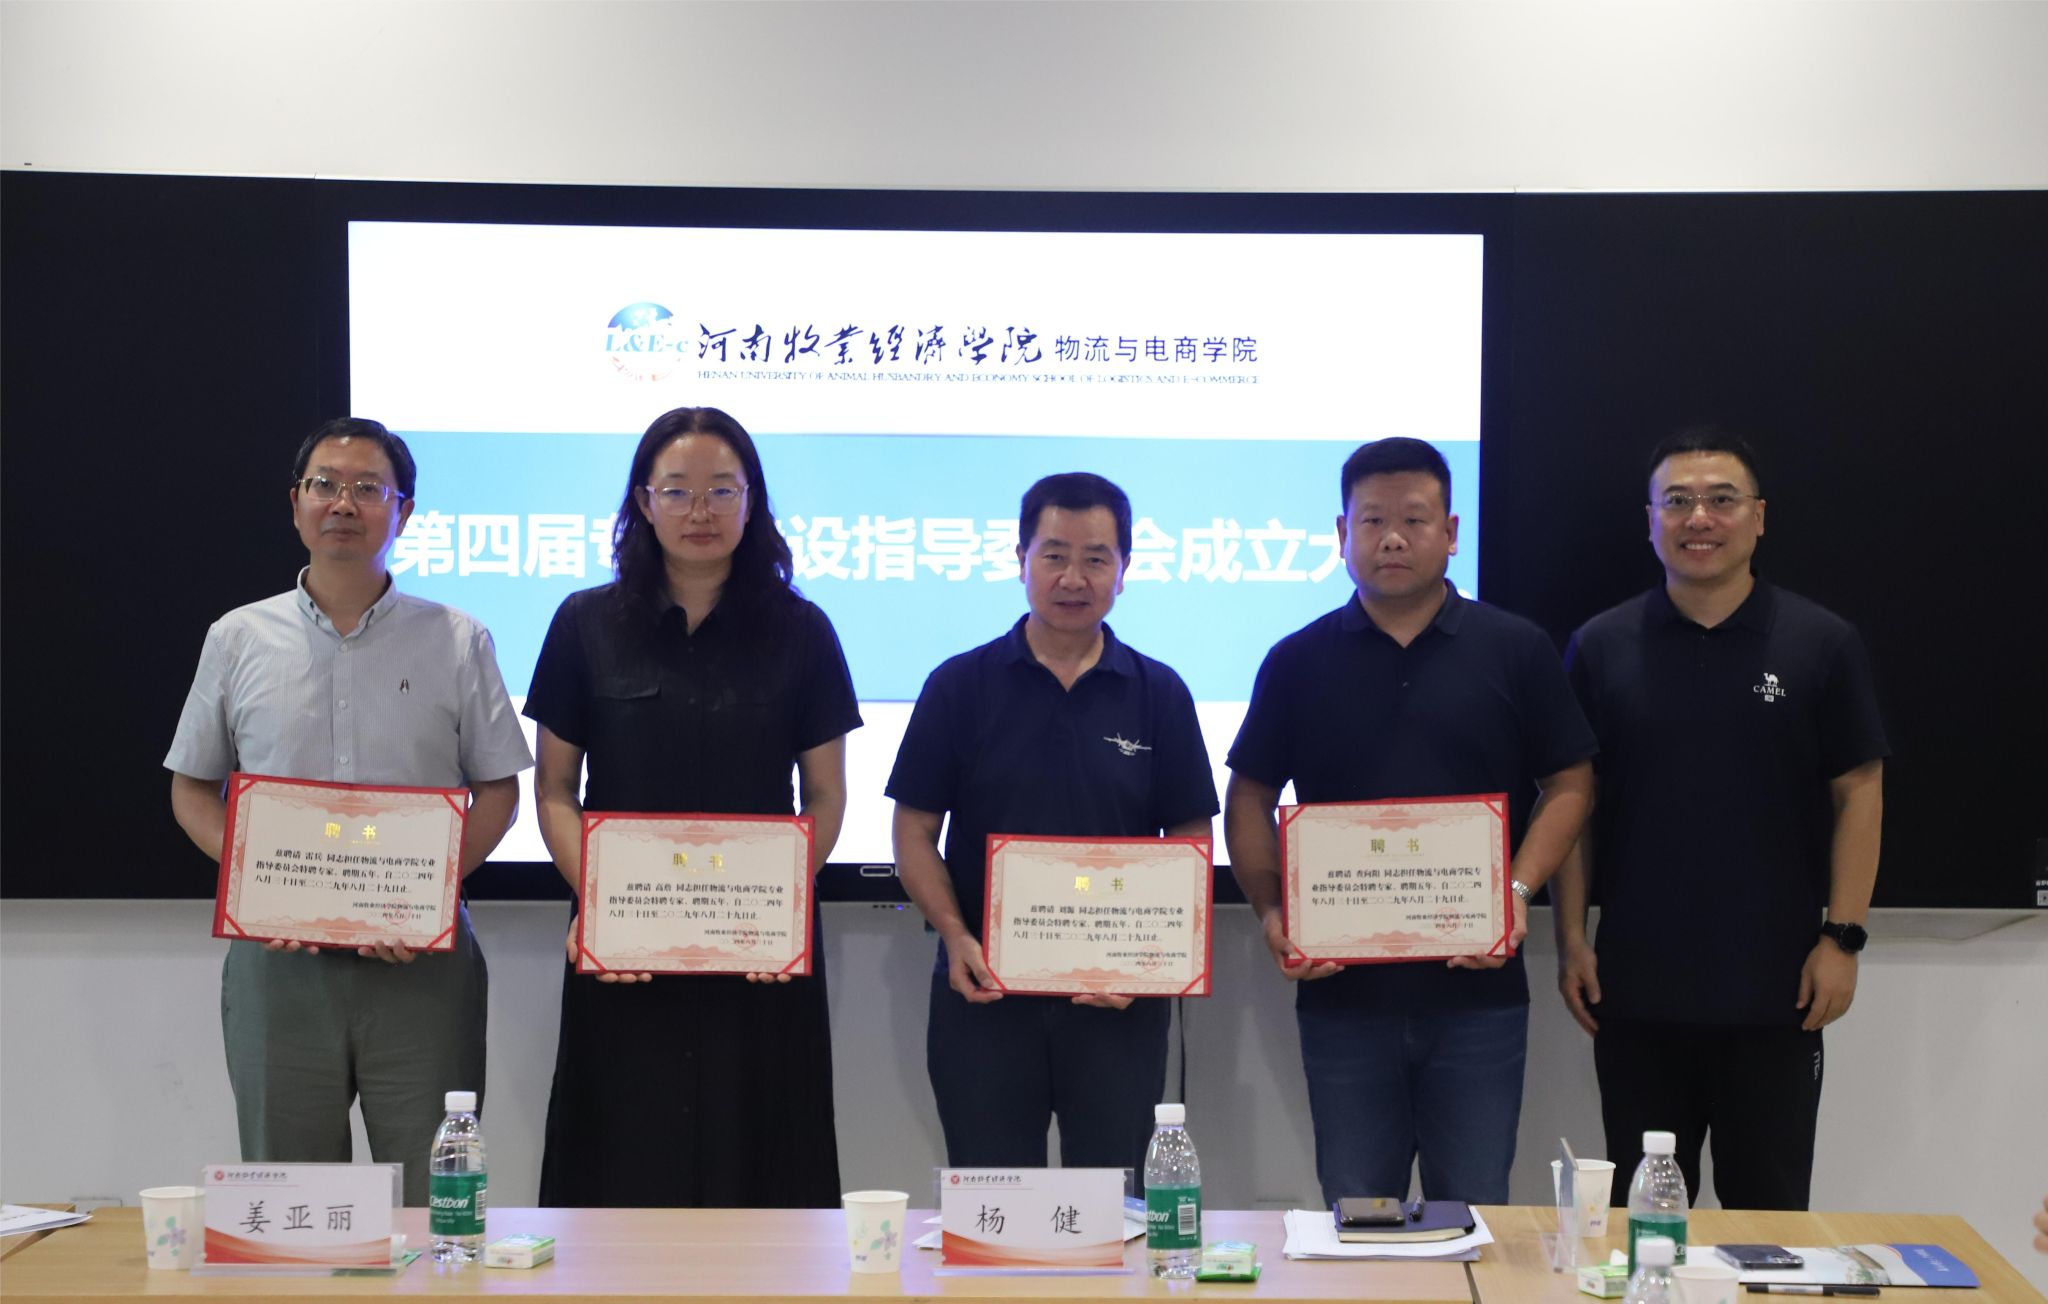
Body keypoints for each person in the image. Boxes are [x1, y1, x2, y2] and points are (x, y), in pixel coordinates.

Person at [166, 417, 532, 1206]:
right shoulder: (237, 637)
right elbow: (191, 789)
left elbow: (500, 790)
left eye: (368, 488)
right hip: (280, 965)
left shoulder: (458, 640)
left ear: (404, 511)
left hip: (420, 964)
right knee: (289, 1199)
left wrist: (425, 893)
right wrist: (260, 884)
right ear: (296, 503)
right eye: (324, 485)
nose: (343, 503)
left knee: (435, 1198)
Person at [1224, 437, 1595, 1206]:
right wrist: (1271, 912)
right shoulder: (1296, 660)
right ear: (1342, 534)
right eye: (1372, 521)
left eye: (1415, 520)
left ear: (1451, 533)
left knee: (1475, 1214)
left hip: (1478, 1001)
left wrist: (1516, 892)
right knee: (1359, 1215)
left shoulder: (1515, 648)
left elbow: (1569, 784)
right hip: (1343, 1001)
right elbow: (1249, 796)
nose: (1392, 538)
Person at [525, 405, 860, 1207]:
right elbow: (554, 790)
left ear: (753, 500)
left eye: (721, 490)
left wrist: (778, 903)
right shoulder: (583, 625)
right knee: (622, 1151)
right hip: (627, 943)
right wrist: (601, 903)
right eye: (677, 490)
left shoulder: (803, 631)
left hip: (758, 950)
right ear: (644, 503)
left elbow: (825, 793)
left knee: (766, 1152)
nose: (700, 511)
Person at [1555, 426, 1887, 1211]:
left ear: (1758, 517)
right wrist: (1570, 938)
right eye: (1677, 501)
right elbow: (1574, 803)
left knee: (1770, 1222)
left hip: (1777, 992)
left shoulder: (1820, 642)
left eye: (1721, 500)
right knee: (1645, 1222)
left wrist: (1842, 938)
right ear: (1650, 522)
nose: (1698, 517)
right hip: (1636, 991)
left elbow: (1860, 792)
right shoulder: (1600, 647)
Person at [887, 472, 1218, 1172]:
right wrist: (955, 935)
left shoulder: (1160, 692)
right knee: (994, 1201)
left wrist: (1153, 961)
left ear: (1124, 570)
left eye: (1096, 558)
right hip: (985, 994)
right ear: (1021, 561)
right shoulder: (959, 686)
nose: (1074, 578)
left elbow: (1190, 838)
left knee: (1115, 1201)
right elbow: (913, 834)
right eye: (1054, 555)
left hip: (1117, 1002)